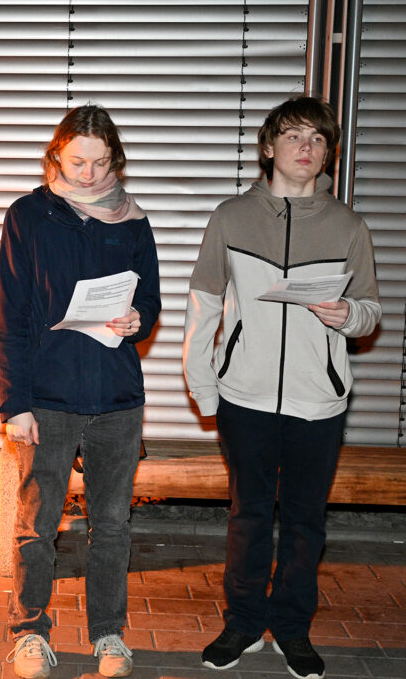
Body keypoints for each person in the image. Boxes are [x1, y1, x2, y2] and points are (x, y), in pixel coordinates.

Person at [183, 95, 381, 679]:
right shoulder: (230, 217)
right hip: (244, 394)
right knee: (247, 514)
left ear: (328, 155)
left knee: (304, 520)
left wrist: (350, 316)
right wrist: (204, 386)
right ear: (269, 146)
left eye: (318, 140)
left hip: (318, 401)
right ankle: (243, 622)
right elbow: (205, 306)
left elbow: (371, 310)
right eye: (295, 136)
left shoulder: (349, 225)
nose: (306, 148)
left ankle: (292, 629)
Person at [0, 104, 161, 679]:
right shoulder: (29, 216)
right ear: (56, 157)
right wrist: (14, 402)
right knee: (36, 525)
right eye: (76, 161)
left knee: (112, 525)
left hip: (116, 397)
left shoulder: (134, 221)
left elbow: (152, 300)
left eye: (99, 162)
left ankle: (109, 636)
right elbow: (11, 313)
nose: (88, 174)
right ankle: (28, 634)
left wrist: (137, 318)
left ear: (115, 159)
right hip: (47, 397)